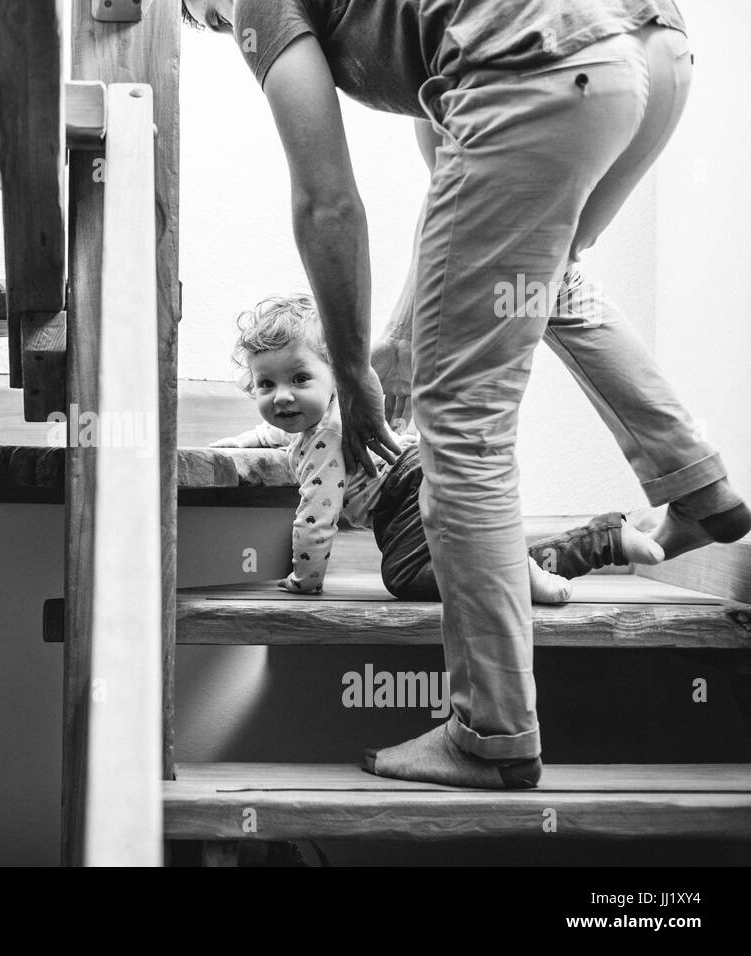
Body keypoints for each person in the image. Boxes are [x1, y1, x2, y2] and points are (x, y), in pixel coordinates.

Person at [181, 0, 750, 789]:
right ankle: (695, 482)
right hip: (651, 53)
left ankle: (491, 732)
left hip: (548, 65)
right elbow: (457, 231)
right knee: (541, 281)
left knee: (462, 421)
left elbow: (327, 201)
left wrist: (354, 373)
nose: (212, 26)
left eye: (196, 16)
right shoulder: (435, 68)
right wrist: (394, 343)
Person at [211, 293, 664, 603]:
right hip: (430, 471)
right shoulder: (317, 421)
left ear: (337, 376)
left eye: (299, 379)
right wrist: (235, 446)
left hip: (406, 498)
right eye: (266, 384)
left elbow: (316, 516)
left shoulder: (327, 441)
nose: (282, 396)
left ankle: (516, 574)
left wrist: (306, 579)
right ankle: (603, 541)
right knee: (471, 561)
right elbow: (274, 435)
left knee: (405, 577)